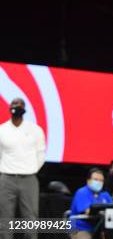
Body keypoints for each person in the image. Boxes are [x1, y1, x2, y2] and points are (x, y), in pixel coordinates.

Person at [0, 98, 46, 238]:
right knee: (5, 219)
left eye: (20, 105)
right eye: (14, 104)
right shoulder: (2, 129)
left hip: (29, 178)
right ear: (10, 108)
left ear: (24, 109)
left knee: (30, 219)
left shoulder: (35, 130)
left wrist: (30, 169)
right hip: (7, 178)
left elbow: (40, 154)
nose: (17, 107)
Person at [70, 168, 112, 239]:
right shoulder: (82, 192)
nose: (99, 182)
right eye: (96, 179)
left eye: (101, 180)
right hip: (80, 228)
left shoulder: (105, 194)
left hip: (99, 228)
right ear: (88, 180)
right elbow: (87, 211)